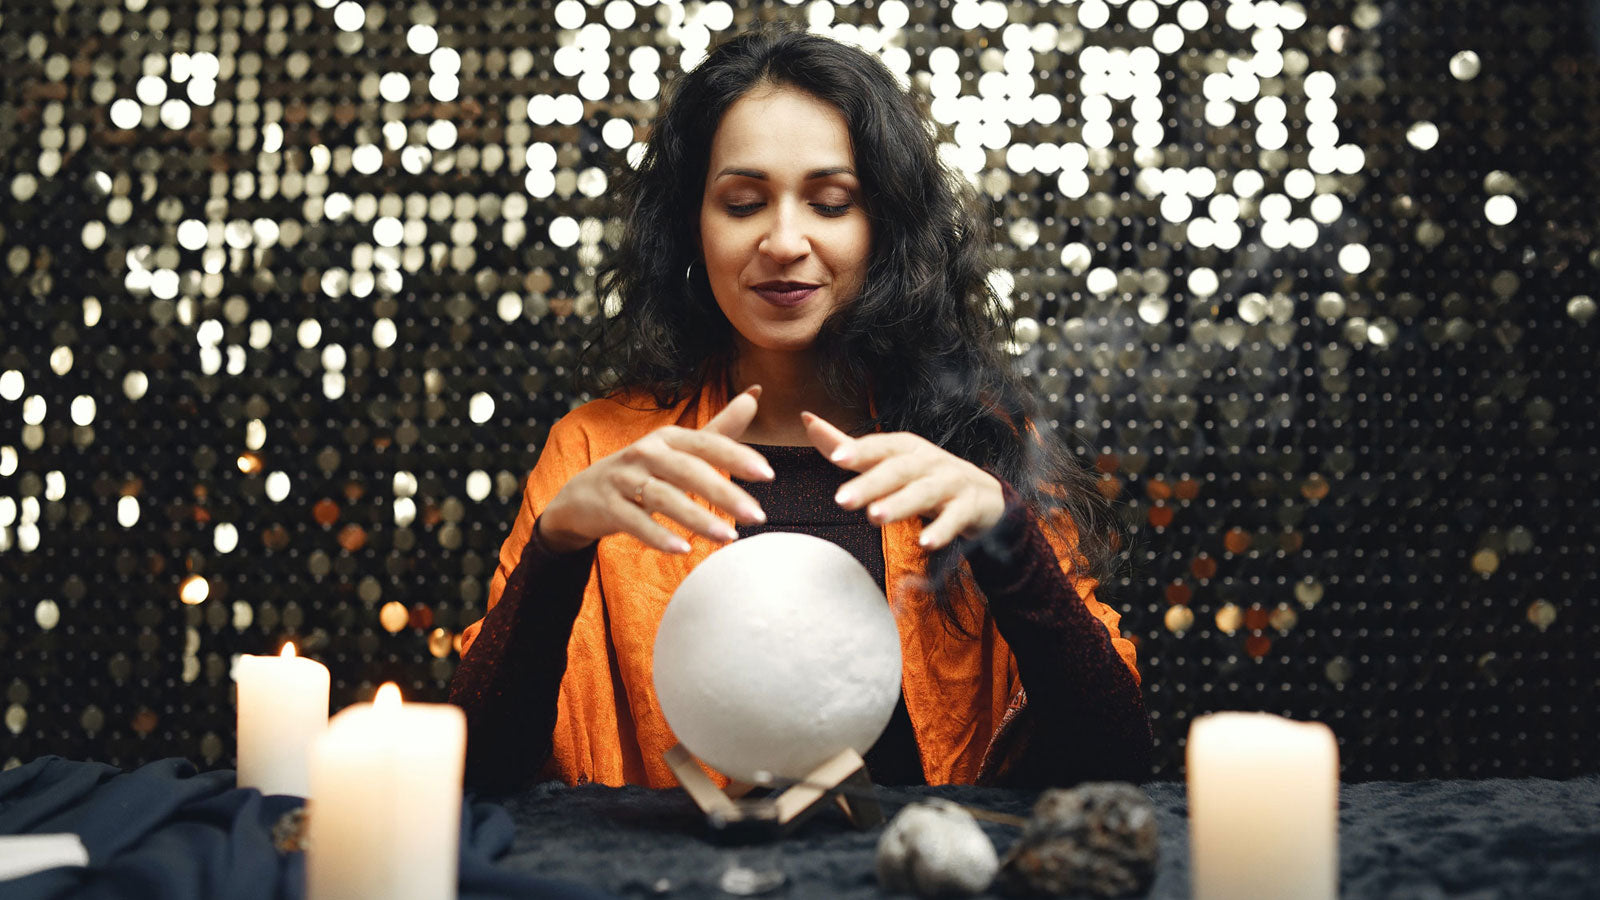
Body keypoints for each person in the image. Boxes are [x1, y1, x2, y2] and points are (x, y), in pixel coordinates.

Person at [449, 26, 1152, 792]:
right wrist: (558, 549)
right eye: (743, 202)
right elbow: (482, 776)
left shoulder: (974, 448)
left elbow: (1115, 763)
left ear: (882, 226)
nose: (785, 241)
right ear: (694, 224)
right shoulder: (596, 450)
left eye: (831, 202)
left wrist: (1006, 535)